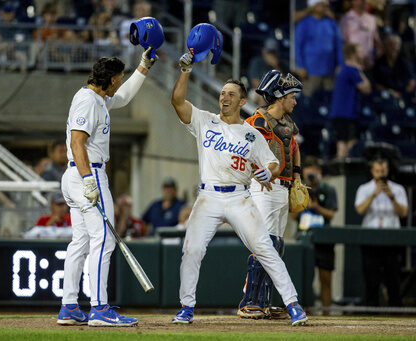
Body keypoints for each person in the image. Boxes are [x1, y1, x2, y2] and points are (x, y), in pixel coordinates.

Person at [170, 50, 307, 326]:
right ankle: (186, 306)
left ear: (242, 100)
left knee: (266, 249)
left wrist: (266, 172)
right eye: (223, 93)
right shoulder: (204, 120)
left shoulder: (250, 132)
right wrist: (185, 70)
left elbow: (274, 165)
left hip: (239, 197)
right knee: (192, 249)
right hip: (208, 196)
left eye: (231, 94)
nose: (225, 97)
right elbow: (177, 101)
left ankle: (293, 304)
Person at [57, 46, 157, 326]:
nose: (121, 83)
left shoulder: (97, 97)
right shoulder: (89, 100)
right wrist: (89, 180)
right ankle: (99, 308)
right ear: (111, 79)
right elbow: (78, 141)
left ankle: (69, 306)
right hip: (86, 173)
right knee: (105, 239)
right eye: (120, 78)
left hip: (76, 175)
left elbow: (123, 97)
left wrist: (143, 67)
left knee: (82, 241)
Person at [236, 69, 303, 320]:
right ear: (280, 96)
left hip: (283, 187)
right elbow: (243, 148)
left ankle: (263, 303)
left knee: (276, 245)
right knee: (265, 244)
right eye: (291, 96)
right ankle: (248, 301)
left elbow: (293, 148)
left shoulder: (287, 124)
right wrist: (256, 173)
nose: (294, 101)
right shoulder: (256, 121)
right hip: (264, 187)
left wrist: (296, 176)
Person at [355, 158, 407, 306]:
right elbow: (360, 210)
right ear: (372, 172)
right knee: (371, 279)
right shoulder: (364, 189)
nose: (380, 175)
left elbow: (403, 213)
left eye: (383, 171)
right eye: (377, 171)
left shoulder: (398, 189)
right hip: (370, 239)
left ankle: (396, 313)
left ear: (387, 171)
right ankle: (371, 312)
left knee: (393, 279)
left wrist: (391, 197)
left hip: (392, 239)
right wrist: (374, 194)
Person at [293, 156, 338, 315]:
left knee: (325, 278)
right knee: (305, 279)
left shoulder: (328, 189)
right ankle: (306, 313)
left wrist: (317, 207)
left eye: (315, 170)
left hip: (324, 239)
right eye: (308, 169)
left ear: (319, 172)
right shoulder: (299, 189)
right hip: (304, 238)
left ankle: (327, 314)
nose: (311, 173)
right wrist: (304, 201)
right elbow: (293, 216)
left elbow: (331, 214)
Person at [329, 43, 371, 161]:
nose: (362, 53)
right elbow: (366, 88)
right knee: (348, 145)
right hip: (347, 113)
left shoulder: (341, 68)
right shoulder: (352, 70)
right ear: (353, 54)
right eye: (359, 51)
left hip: (339, 113)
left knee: (342, 143)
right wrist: (360, 70)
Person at [295, 0, 344, 97]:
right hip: (311, 71)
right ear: (314, 6)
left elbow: (338, 45)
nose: (325, 7)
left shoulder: (332, 23)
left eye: (326, 5)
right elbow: (298, 47)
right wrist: (300, 66)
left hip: (330, 70)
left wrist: (341, 64)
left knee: (329, 100)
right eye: (322, 4)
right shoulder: (304, 24)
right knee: (310, 100)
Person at [339, 0, 382, 69]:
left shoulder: (371, 19)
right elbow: (344, 42)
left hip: (368, 62)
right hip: (353, 64)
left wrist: (377, 53)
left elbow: (376, 40)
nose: (363, 1)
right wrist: (354, 56)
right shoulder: (345, 19)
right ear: (352, 2)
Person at [373, 34, 416, 101]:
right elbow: (376, 84)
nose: (394, 48)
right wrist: (390, 92)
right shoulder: (379, 63)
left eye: (397, 45)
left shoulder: (404, 62)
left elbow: (412, 81)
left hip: (404, 96)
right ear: (386, 46)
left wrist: (403, 94)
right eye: (391, 45)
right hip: (386, 96)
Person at [247, 39, 289, 106]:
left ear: (277, 53)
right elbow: (256, 84)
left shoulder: (281, 65)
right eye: (269, 52)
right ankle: (262, 116)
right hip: (257, 92)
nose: (271, 55)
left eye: (273, 52)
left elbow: (285, 85)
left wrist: (275, 66)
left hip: (275, 93)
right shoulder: (257, 62)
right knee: (263, 95)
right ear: (263, 51)